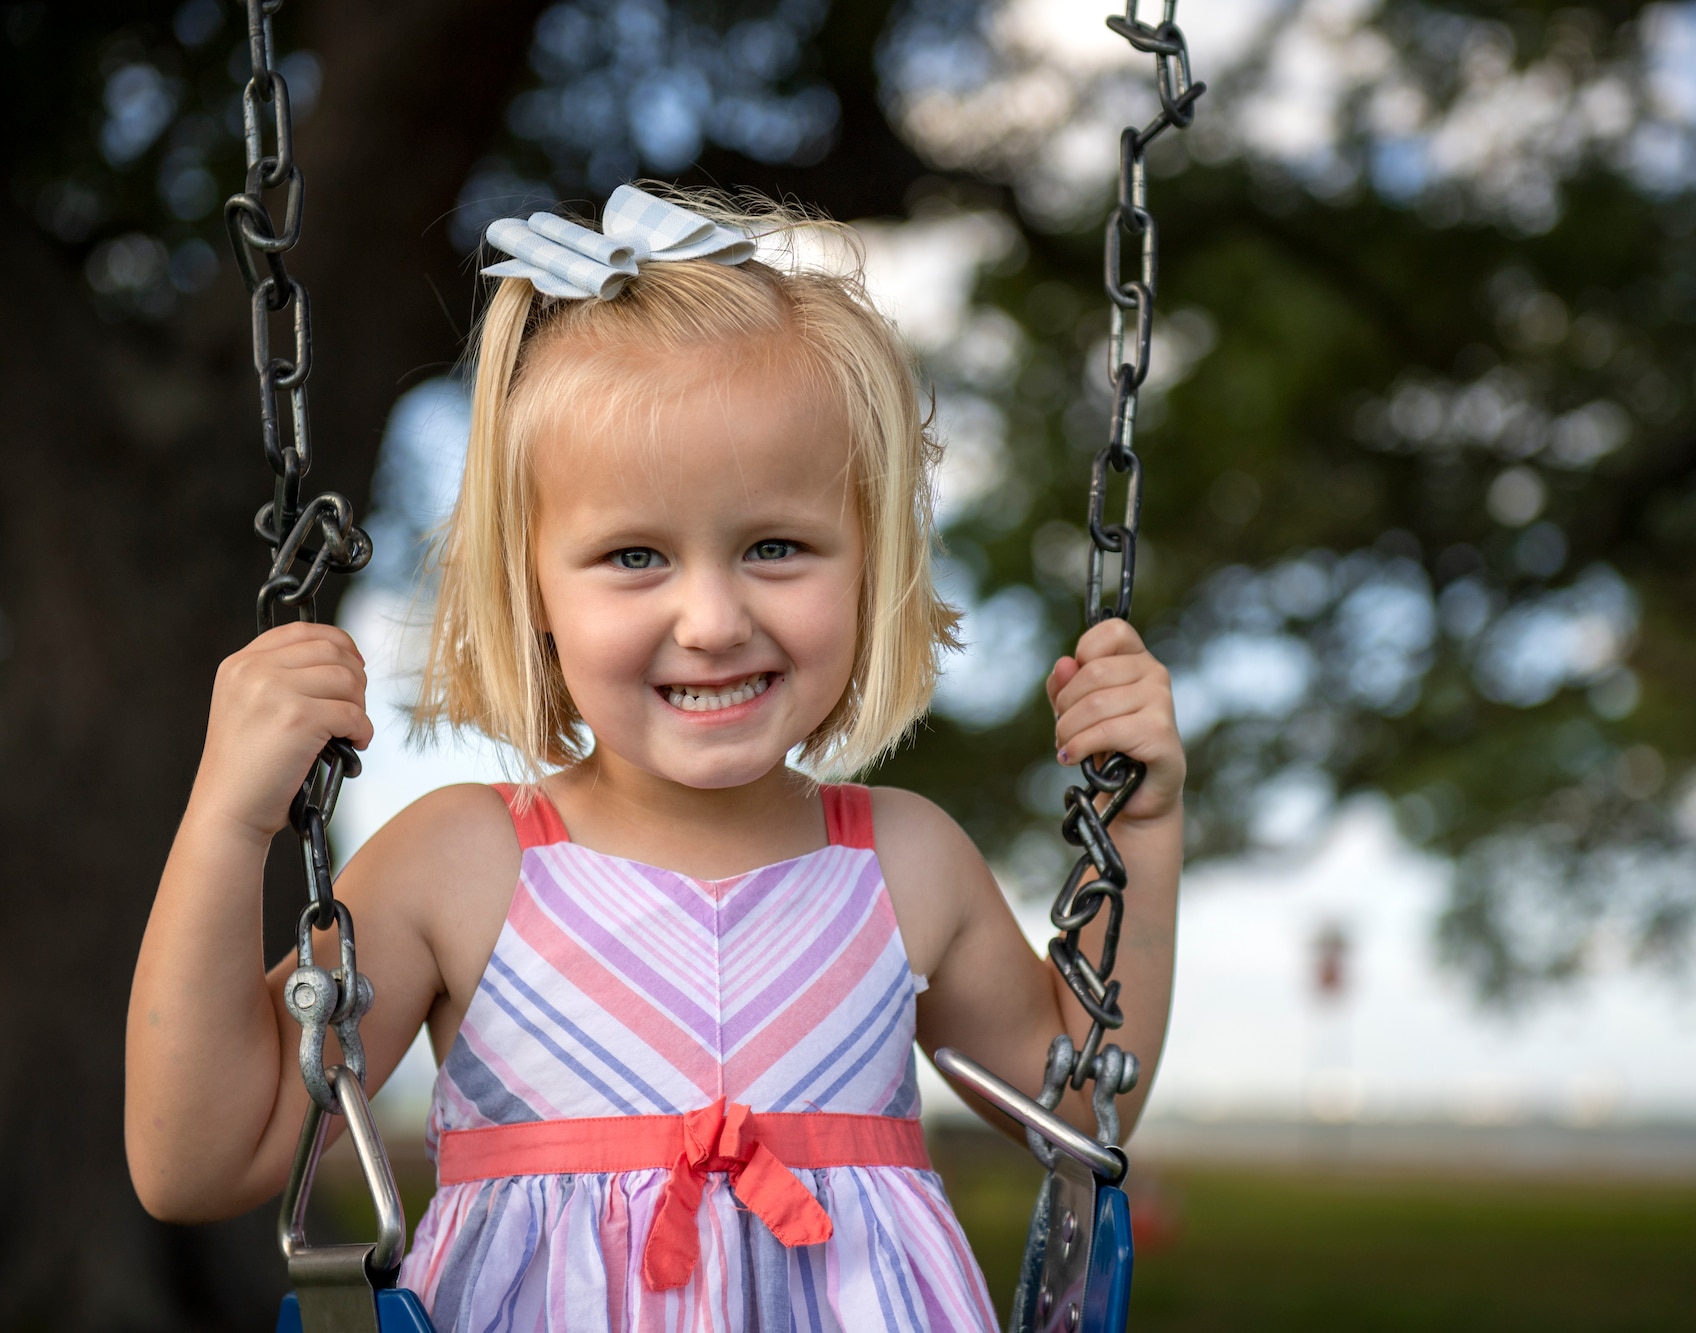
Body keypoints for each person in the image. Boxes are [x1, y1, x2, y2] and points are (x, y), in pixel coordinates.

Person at [126, 185, 1184, 1331]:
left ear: (870, 564)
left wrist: (1137, 824)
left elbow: (1078, 1089)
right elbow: (200, 1159)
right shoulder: (460, 865)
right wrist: (229, 821)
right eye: (635, 556)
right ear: (531, 588)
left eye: (776, 546)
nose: (713, 618)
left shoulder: (903, 859)